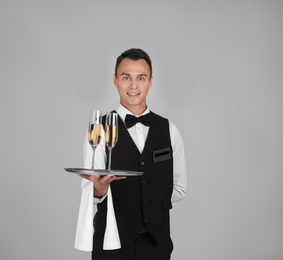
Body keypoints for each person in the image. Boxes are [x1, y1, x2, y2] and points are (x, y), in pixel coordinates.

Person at [75, 48, 187, 260]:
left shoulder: (169, 129)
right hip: (111, 242)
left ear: (151, 81)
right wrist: (99, 190)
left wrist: (149, 203)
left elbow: (179, 189)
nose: (133, 85)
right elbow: (91, 192)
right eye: (126, 77)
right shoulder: (98, 128)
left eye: (141, 78)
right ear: (115, 80)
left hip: (157, 244)